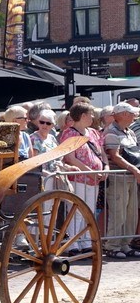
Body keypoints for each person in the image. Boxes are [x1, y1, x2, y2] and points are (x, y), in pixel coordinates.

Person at [60, 102, 107, 253]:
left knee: (89, 211)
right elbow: (70, 158)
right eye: (91, 114)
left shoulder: (93, 133)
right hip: (78, 178)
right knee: (76, 211)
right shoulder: (69, 133)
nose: (93, 116)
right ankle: (72, 243)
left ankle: (85, 241)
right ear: (83, 115)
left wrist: (106, 167)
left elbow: (101, 152)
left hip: (94, 180)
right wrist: (89, 171)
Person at [102, 101, 140, 259]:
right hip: (119, 177)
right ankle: (112, 245)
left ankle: (125, 244)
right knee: (119, 213)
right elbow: (114, 155)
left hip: (131, 177)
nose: (134, 116)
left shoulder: (129, 131)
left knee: (131, 213)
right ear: (123, 114)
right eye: (132, 113)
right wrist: (134, 169)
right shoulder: (111, 131)